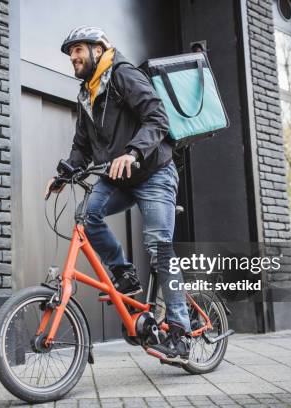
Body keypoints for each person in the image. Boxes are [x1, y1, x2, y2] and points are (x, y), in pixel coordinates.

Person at [44, 26, 191, 362]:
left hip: (153, 171)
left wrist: (134, 152)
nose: (74, 58)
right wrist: (62, 175)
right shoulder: (87, 93)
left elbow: (157, 118)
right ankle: (124, 272)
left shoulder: (124, 75)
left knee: (159, 249)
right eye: (70, 53)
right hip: (118, 176)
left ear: (99, 49)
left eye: (78, 49)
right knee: (86, 215)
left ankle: (181, 332)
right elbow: (81, 146)